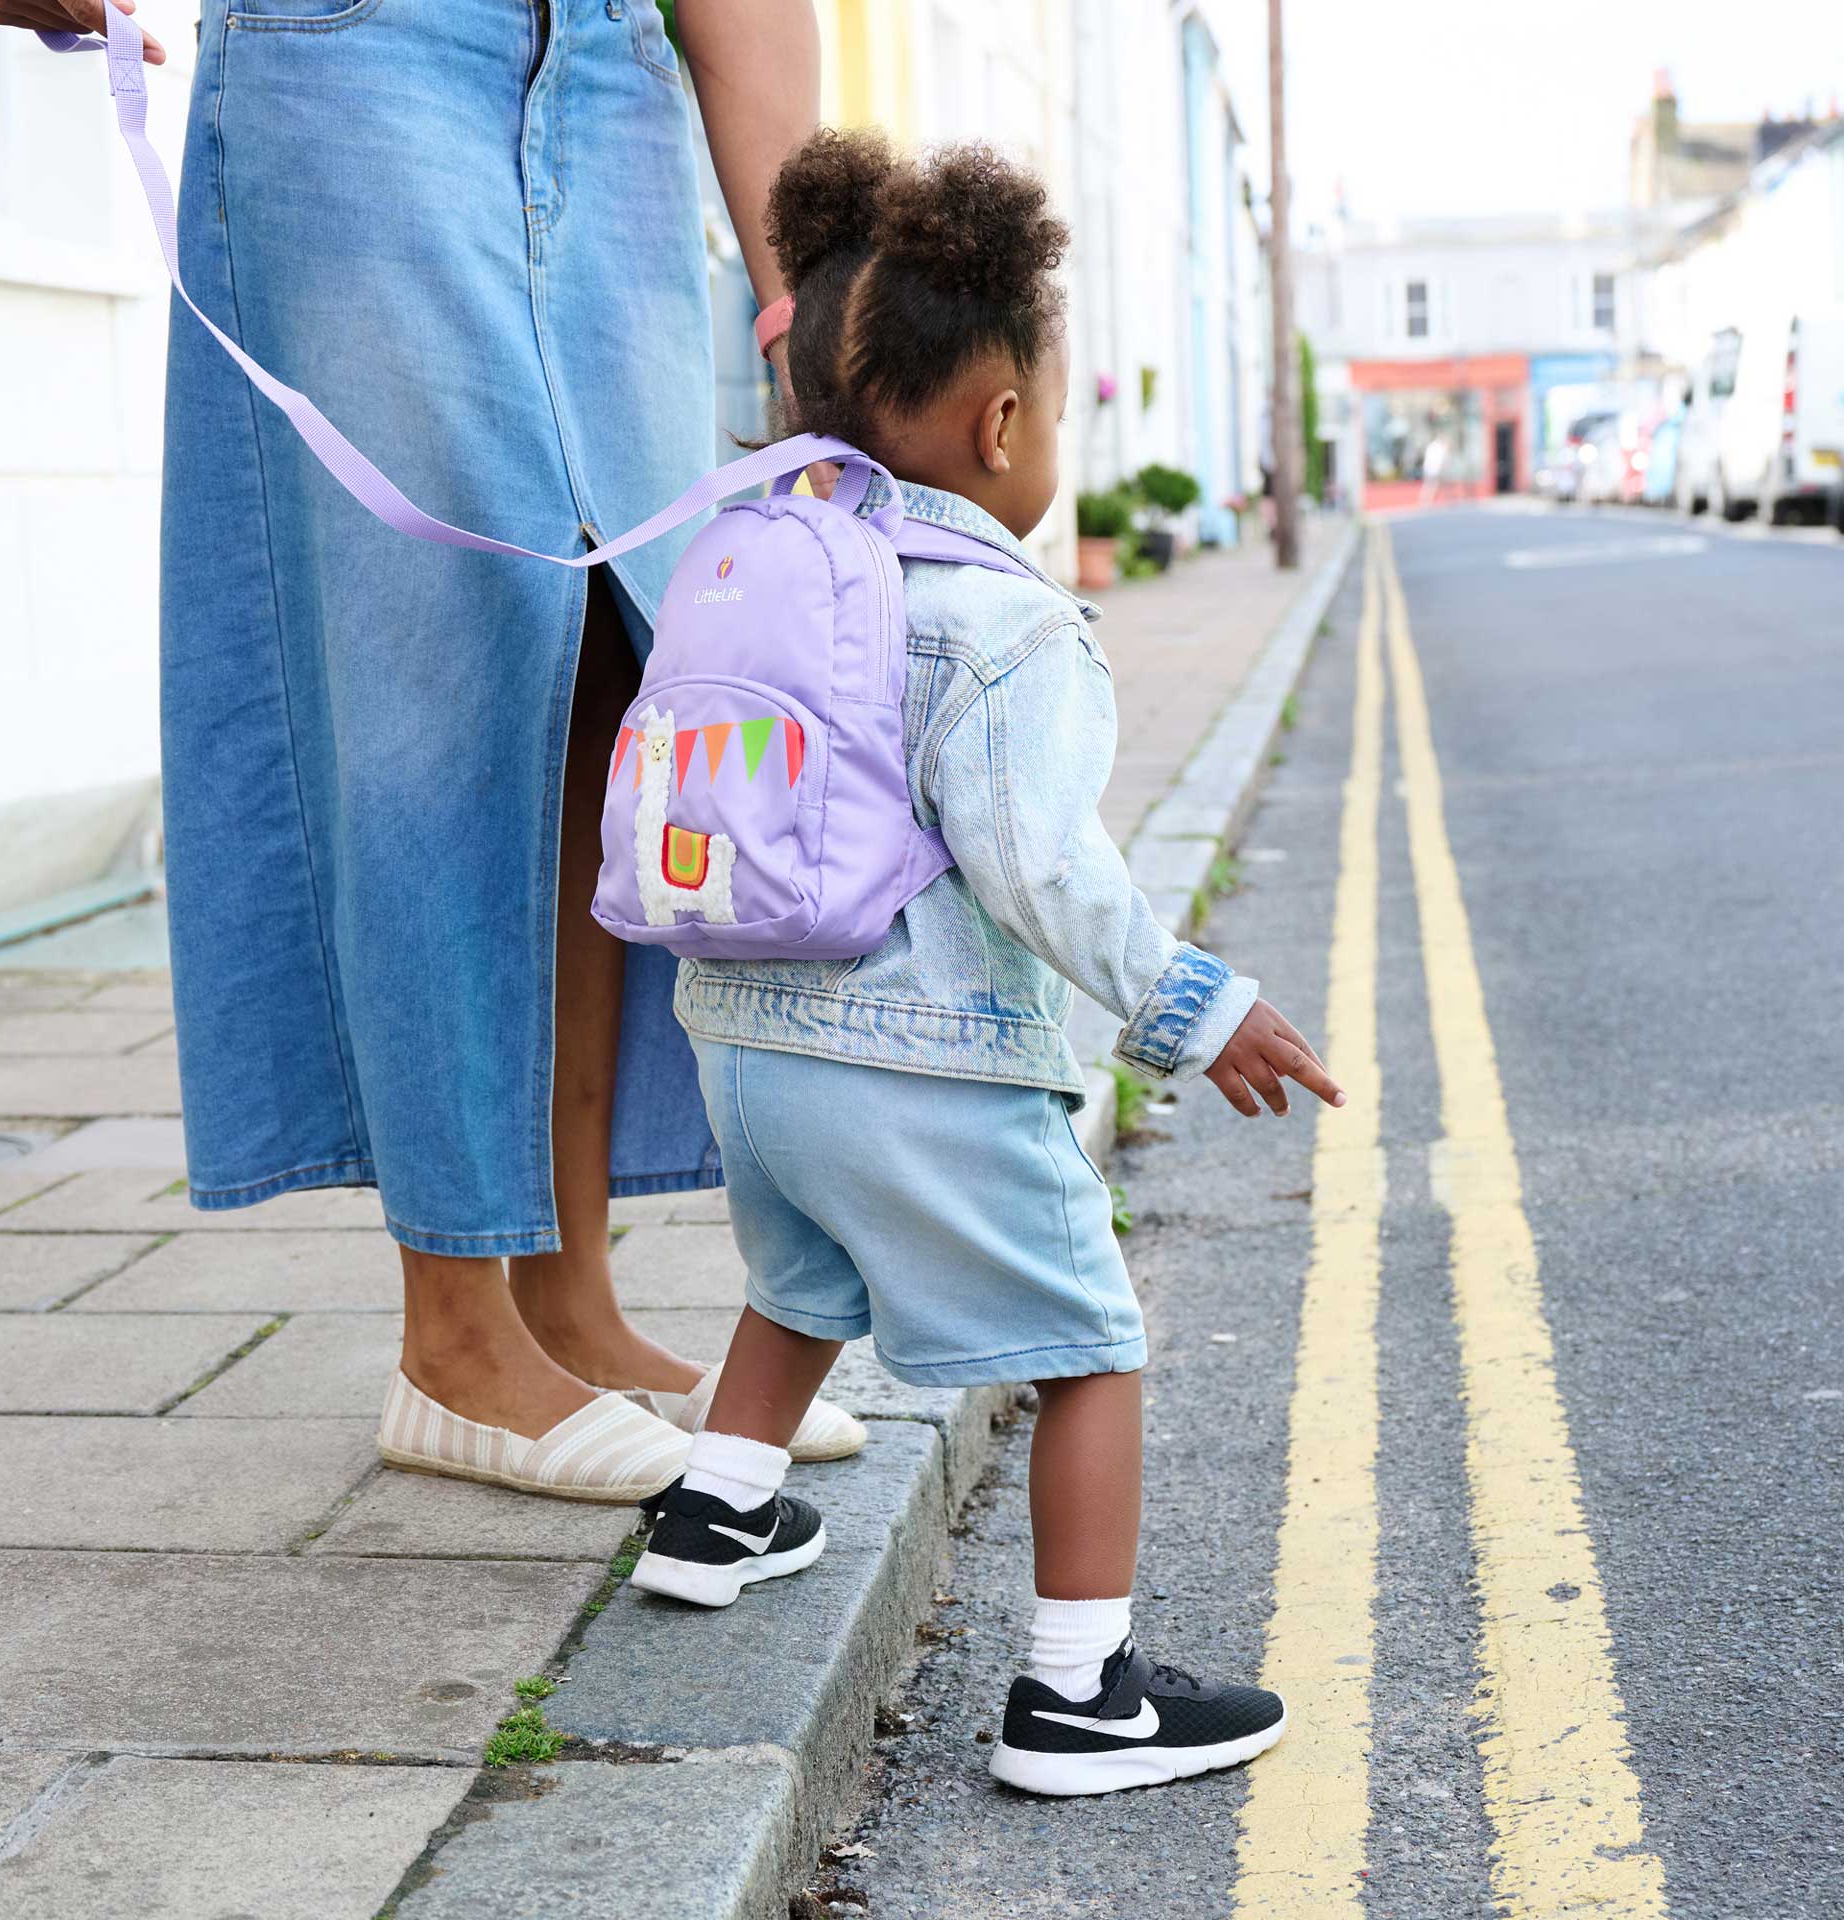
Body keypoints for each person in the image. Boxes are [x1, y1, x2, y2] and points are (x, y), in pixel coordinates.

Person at [0, 0, 860, 1497]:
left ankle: (568, 1304)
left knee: (615, 650)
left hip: (613, 73)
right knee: (440, 662)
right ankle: (453, 1336)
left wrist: (809, 306)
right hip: (360, 44)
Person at [627, 131, 1346, 1797]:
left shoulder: (746, 555)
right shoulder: (1001, 620)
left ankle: (716, 1507)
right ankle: (1080, 1696)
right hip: (917, 1059)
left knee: (799, 1282)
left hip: (740, 1036)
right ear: (1004, 424)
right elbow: (1042, 868)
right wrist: (1196, 1008)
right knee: (1091, 1340)